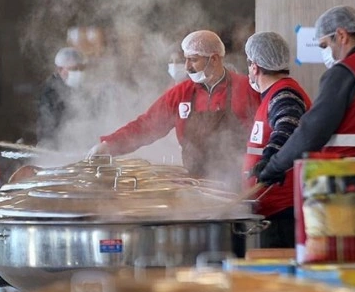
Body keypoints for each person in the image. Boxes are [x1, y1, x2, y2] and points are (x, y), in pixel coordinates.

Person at [256, 6, 355, 185]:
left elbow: (312, 131)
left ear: (341, 36)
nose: (326, 53)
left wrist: (275, 166)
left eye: (325, 45)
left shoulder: (346, 72)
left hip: (352, 183)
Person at [88, 30, 260, 181]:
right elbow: (147, 125)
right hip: (195, 186)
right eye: (185, 59)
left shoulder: (246, 89)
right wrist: (110, 145)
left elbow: (269, 134)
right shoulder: (181, 93)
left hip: (239, 184)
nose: (187, 67)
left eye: (193, 60)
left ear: (214, 59)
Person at [242, 32, 312, 248]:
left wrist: (271, 159)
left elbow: (288, 127)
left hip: (283, 211)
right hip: (270, 208)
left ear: (254, 67)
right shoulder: (274, 93)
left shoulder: (285, 94)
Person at [36, 47, 87, 147]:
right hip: (57, 146)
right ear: (59, 69)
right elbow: (49, 126)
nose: (79, 73)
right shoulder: (50, 92)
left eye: (81, 68)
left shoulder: (78, 88)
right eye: (74, 69)